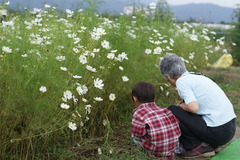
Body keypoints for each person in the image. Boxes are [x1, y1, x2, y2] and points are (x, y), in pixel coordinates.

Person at [159, 53, 236, 158]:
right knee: (184, 110)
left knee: (173, 110)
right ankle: (211, 144)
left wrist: (181, 106)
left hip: (218, 132)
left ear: (168, 77)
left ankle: (199, 146)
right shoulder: (197, 76)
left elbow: (193, 108)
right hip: (230, 128)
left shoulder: (181, 81)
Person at [131, 81, 181, 159]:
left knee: (134, 136)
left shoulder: (139, 113)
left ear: (135, 98)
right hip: (172, 149)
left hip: (155, 152)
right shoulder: (165, 110)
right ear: (154, 99)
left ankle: (142, 152)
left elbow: (138, 134)